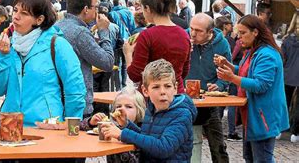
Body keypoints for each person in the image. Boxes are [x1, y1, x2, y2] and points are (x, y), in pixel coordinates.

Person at [0, 0, 86, 126]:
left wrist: (71, 126)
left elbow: (75, 89)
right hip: (11, 127)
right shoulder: (9, 46)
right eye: (15, 11)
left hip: (46, 128)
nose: (16, 17)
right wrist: (2, 56)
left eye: (24, 13)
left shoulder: (57, 45)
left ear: (39, 19)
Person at [216, 14, 289, 162]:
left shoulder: (267, 54)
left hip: (263, 115)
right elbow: (247, 72)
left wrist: (231, 78)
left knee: (261, 159)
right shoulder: (254, 51)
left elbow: (260, 85)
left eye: (243, 33)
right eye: (239, 33)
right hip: (252, 114)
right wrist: (229, 66)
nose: (239, 37)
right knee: (249, 157)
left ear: (255, 32)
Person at [101, 59, 197, 162]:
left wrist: (122, 134)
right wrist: (127, 125)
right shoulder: (151, 109)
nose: (163, 92)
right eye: (156, 87)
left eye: (167, 86)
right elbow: (147, 138)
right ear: (145, 91)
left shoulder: (182, 114)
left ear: (175, 88)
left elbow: (163, 148)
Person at [56, 0, 115, 118]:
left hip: (58, 99)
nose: (97, 11)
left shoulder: (57, 26)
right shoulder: (80, 33)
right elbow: (107, 63)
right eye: (96, 7)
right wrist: (104, 32)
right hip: (78, 102)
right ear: (86, 9)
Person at [126, 0, 191, 94]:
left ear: (147, 8)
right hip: (176, 93)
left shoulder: (147, 35)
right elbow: (184, 72)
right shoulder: (184, 34)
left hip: (153, 95)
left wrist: (128, 53)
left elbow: (135, 75)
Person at [188, 13, 231, 162]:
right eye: (191, 28)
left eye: (198, 31)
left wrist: (219, 85)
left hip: (208, 101)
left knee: (218, 146)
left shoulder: (221, 44)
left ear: (210, 32)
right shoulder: (185, 39)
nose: (193, 33)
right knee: (181, 144)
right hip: (185, 100)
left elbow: (227, 72)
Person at [81, 86, 145, 163]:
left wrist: (120, 136)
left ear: (139, 110)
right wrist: (90, 122)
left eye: (128, 107)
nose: (122, 109)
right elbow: (76, 127)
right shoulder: (113, 127)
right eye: (118, 106)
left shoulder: (144, 130)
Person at [281, 13, 299, 143]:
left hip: (287, 75)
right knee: (298, 106)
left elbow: (283, 59)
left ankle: (280, 129)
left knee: (283, 103)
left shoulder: (286, 40)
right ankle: (296, 132)